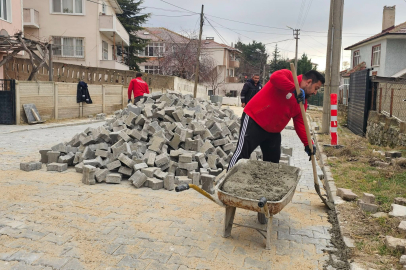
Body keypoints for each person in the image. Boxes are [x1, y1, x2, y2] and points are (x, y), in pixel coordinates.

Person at [228, 69, 325, 170]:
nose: (315, 92)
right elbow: (275, 77)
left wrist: (308, 143)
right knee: (242, 154)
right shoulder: (288, 76)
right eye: (316, 88)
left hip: (273, 132)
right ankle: (226, 182)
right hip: (254, 120)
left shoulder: (302, 102)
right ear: (309, 82)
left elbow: (300, 123)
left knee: (272, 165)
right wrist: (294, 89)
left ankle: (266, 185)